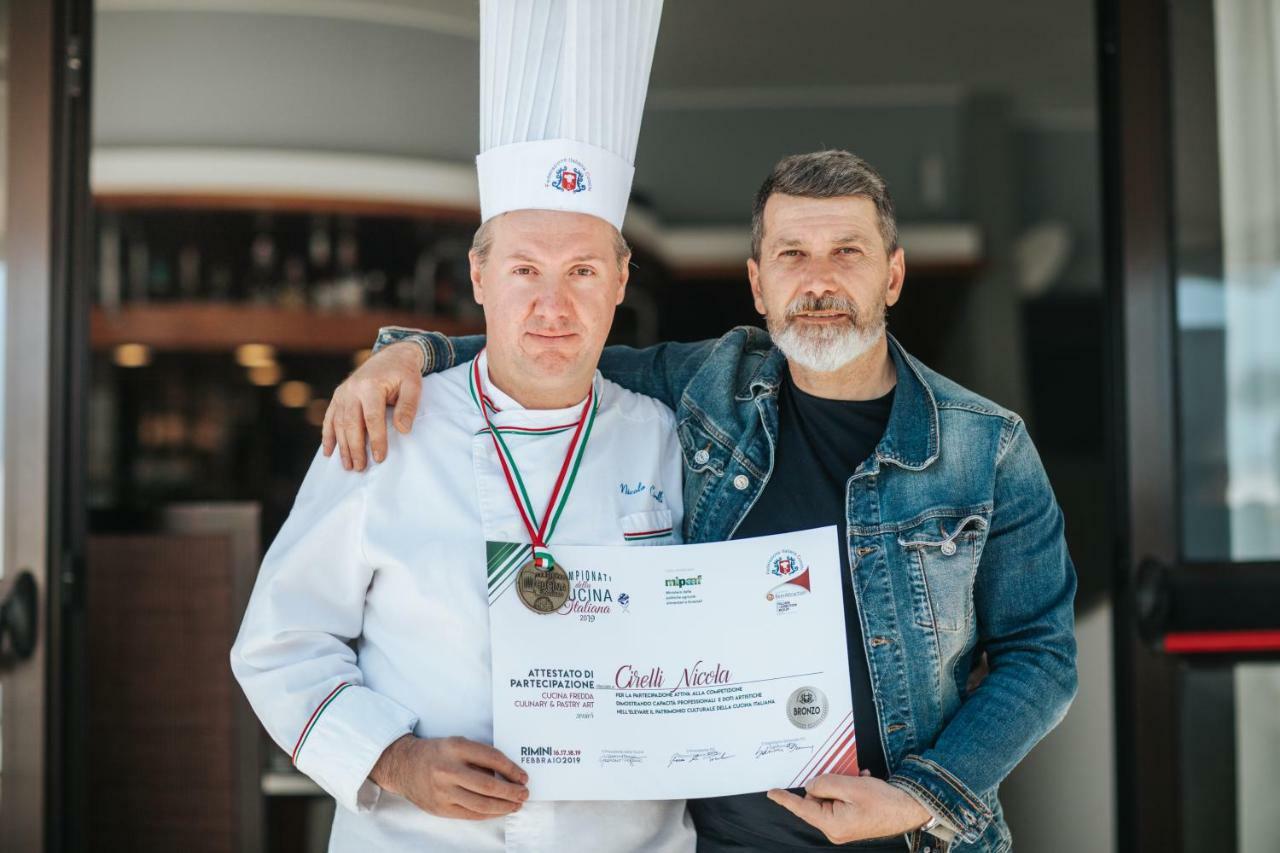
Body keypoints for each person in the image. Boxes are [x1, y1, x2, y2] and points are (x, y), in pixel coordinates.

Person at [325, 149, 1080, 853]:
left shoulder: (988, 447)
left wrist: (919, 796)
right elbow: (555, 349)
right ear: (758, 282)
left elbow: (1041, 656)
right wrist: (410, 352)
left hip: (915, 840)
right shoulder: (711, 386)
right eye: (792, 255)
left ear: (892, 275)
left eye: (847, 252)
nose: (819, 281)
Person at [232, 1, 695, 849]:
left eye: (583, 269)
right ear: (478, 276)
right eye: (524, 268)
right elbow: (278, 643)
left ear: (622, 280)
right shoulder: (385, 427)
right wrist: (395, 759)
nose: (552, 305)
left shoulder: (670, 440)